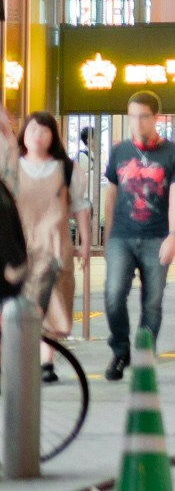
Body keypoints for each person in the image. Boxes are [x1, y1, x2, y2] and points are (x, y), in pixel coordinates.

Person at [102, 90, 175, 379]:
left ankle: (144, 351)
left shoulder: (173, 154)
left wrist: (174, 235)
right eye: (132, 116)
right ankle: (120, 350)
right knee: (113, 295)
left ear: (156, 118)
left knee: (152, 301)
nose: (137, 122)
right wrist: (109, 234)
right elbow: (111, 194)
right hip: (121, 237)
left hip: (156, 237)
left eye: (143, 116)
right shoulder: (119, 151)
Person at [15, 114, 75, 361]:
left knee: (49, 302)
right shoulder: (11, 165)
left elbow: (80, 205)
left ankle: (46, 360)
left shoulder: (65, 168)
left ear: (53, 136)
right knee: (19, 302)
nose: (37, 136)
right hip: (18, 245)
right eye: (32, 130)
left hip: (53, 244)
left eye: (44, 131)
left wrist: (83, 239)